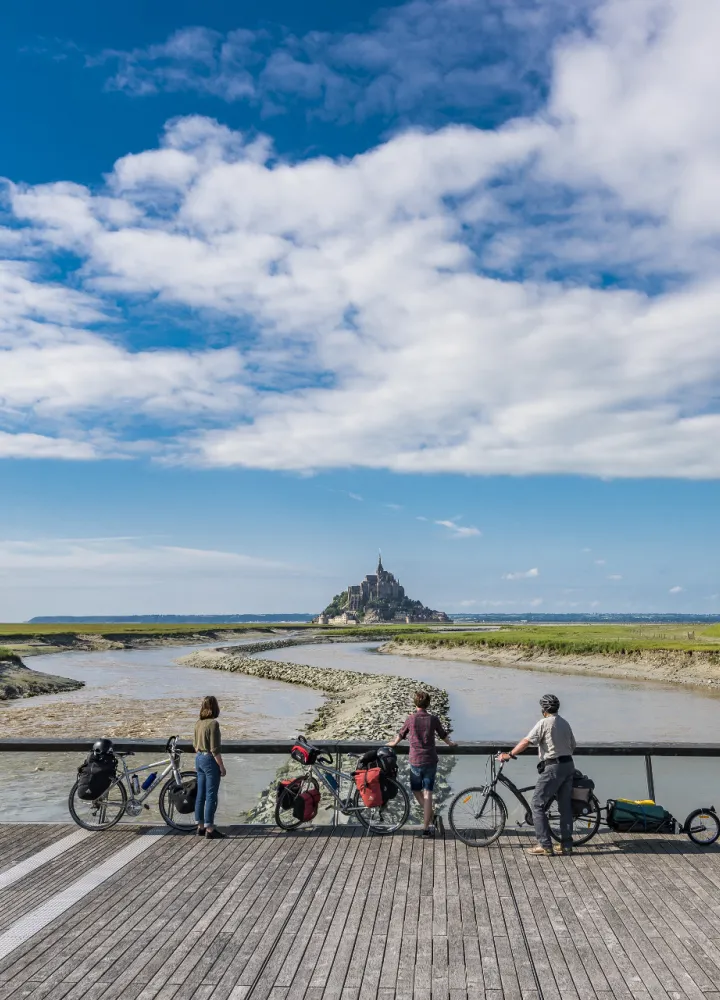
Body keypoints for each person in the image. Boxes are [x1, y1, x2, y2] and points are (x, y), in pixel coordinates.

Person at [498, 693, 576, 856]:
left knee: (537, 804)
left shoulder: (544, 723)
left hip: (553, 766)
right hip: (568, 766)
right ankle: (566, 845)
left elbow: (526, 741)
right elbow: (573, 745)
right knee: (565, 807)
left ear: (543, 710)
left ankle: (545, 844)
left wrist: (509, 754)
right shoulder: (565, 723)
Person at [387, 690, 457, 838]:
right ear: (428, 703)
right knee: (428, 793)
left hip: (415, 760)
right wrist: (450, 743)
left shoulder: (411, 719)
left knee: (416, 791)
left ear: (415, 703)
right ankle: (428, 826)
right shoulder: (433, 719)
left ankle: (431, 821)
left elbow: (401, 734)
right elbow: (443, 735)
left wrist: (393, 743)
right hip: (430, 760)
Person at [193, 695, 227, 839]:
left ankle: (200, 827)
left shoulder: (198, 723)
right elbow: (215, 749)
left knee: (200, 795)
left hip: (199, 758)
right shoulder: (213, 724)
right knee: (211, 795)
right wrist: (221, 766)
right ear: (215, 707)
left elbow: (195, 746)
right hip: (209, 760)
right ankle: (210, 829)